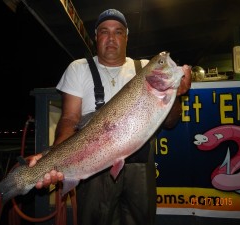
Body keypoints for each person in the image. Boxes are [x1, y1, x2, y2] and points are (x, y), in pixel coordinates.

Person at [29, 9, 192, 225]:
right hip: (93, 166)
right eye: (105, 32)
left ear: (126, 37)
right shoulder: (78, 68)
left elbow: (172, 122)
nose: (111, 38)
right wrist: (52, 157)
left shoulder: (144, 67)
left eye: (118, 32)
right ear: (97, 37)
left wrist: (175, 95)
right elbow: (69, 120)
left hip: (140, 167)